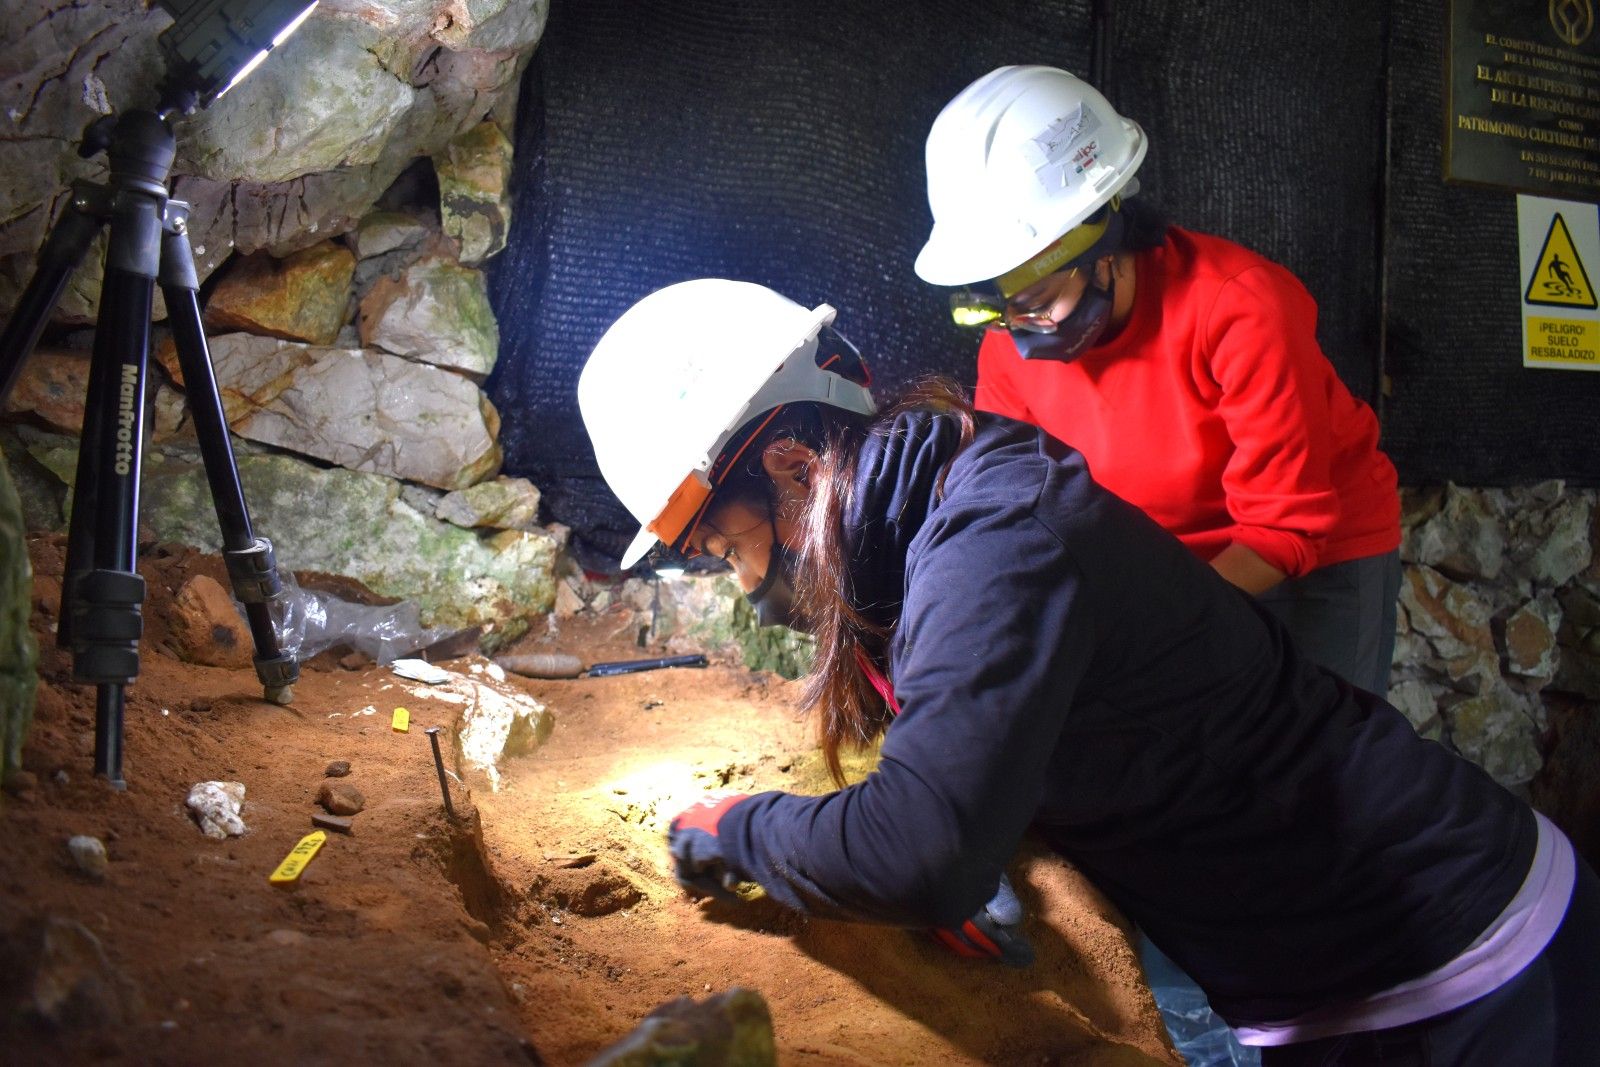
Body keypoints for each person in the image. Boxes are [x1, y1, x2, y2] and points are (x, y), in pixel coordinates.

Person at [576, 278, 1598, 1065]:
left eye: (726, 546)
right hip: (1338, 972)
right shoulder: (930, 507)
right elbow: (981, 753)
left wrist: (739, 827)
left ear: (794, 467)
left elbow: (918, 851)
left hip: (1464, 965)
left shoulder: (991, 537)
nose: (748, 581)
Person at [914, 65, 1402, 698]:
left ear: (1106, 242)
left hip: (1314, 559)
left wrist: (1143, 628)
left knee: (1324, 768)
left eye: (1036, 298)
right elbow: (1018, 503)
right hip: (1160, 566)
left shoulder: (1238, 308)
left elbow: (1284, 527)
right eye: (997, 306)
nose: (1018, 326)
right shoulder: (1007, 351)